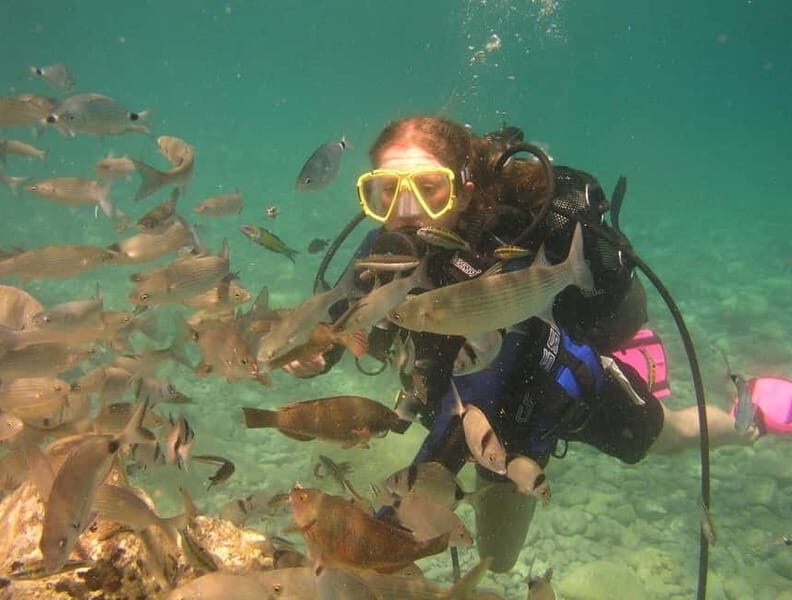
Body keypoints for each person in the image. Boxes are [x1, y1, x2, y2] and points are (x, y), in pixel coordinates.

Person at [285, 116, 771, 573]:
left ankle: (750, 416)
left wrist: (394, 516)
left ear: (464, 186)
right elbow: (339, 318)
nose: (407, 211)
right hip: (461, 409)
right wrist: (313, 355)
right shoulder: (381, 247)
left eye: (429, 190)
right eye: (386, 192)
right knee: (496, 562)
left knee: (671, 435)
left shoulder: (503, 249)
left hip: (550, 392)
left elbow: (489, 385)